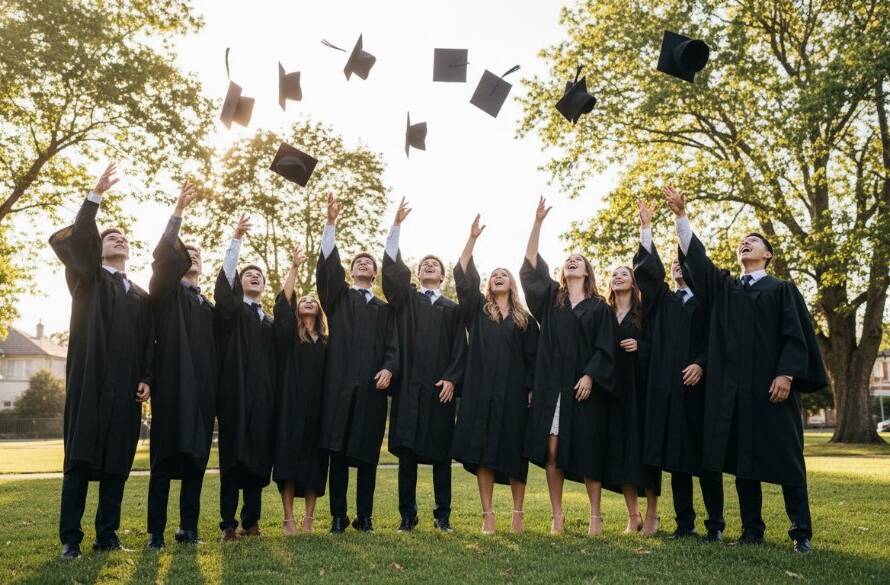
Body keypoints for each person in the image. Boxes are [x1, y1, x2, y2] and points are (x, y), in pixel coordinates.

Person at [664, 185, 827, 553]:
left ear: (767, 255)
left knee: (786, 458)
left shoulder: (781, 290)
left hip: (771, 388)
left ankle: (801, 531)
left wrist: (786, 374)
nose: (745, 244)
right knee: (742, 460)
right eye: (742, 241)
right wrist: (681, 217)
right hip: (733, 391)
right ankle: (752, 529)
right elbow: (699, 265)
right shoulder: (726, 289)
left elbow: (794, 336)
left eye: (754, 241)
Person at [49, 163, 153, 559]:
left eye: (123, 237)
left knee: (116, 463)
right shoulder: (86, 279)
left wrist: (147, 377)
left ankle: (106, 534)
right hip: (90, 382)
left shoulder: (140, 296)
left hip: (126, 388)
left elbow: (148, 342)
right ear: (99, 247)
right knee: (79, 459)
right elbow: (81, 241)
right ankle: (71, 540)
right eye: (111, 236)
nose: (118, 239)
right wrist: (94, 198)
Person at [521, 197, 617, 536]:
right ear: (562, 272)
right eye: (568, 261)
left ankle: (595, 516)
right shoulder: (551, 299)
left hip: (583, 385)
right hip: (552, 385)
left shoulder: (599, 307)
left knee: (589, 449)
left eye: (579, 261)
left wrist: (591, 374)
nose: (573, 263)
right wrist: (537, 223)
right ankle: (557, 516)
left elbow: (606, 346)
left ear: (587, 271)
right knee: (551, 447)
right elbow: (530, 266)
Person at [633, 199, 724, 541]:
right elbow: (648, 273)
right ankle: (684, 524)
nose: (675, 267)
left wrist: (702, 363)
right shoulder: (663, 302)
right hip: (669, 392)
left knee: (706, 461)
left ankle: (715, 526)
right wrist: (646, 227)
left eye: (681, 262)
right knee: (678, 461)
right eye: (672, 263)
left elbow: (720, 341)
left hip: (700, 390)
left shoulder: (709, 301)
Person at [382, 198, 467, 532]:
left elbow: (461, 347)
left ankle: (442, 514)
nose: (430, 266)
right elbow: (391, 268)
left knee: (441, 457)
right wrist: (396, 226)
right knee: (406, 456)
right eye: (425, 264)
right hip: (409, 389)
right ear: (417, 274)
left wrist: (452, 379)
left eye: (436, 265)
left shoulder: (452, 309)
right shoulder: (406, 302)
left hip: (439, 389)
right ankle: (407, 514)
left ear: (443, 276)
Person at [316, 193, 399, 533]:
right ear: (350, 271)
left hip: (371, 388)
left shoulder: (384, 309)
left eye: (369, 263)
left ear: (376, 274)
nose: (364, 264)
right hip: (339, 386)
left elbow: (394, 345)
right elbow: (327, 268)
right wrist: (330, 224)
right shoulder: (338, 299)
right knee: (337, 453)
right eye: (358, 262)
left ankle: (364, 516)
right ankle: (338, 515)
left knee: (367, 455)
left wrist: (390, 368)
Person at [452, 214, 539, 535]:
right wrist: (472, 238)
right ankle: (488, 515)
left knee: (515, 452)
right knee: (483, 452)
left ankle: (518, 513)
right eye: (495, 275)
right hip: (481, 393)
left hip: (514, 394)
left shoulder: (525, 320)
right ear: (489, 284)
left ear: (512, 284)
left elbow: (534, 358)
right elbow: (462, 274)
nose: (499, 276)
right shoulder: (477, 311)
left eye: (505, 274)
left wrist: (530, 388)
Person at [146, 181, 217, 549]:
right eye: (186, 254)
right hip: (172, 389)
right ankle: (156, 533)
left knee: (196, 465)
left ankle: (189, 528)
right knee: (162, 464)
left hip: (202, 396)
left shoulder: (208, 308)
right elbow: (163, 258)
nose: (192, 258)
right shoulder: (165, 294)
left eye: (198, 255)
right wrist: (178, 212)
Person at [214, 213, 276, 542]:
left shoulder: (270, 321)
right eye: (247, 274)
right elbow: (224, 286)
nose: (253, 277)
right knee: (233, 461)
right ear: (240, 283)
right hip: (235, 396)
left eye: (258, 276)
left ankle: (252, 522)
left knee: (256, 462)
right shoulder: (232, 312)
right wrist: (236, 239)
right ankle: (228, 524)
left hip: (263, 399)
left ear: (264, 286)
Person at [273, 244, 329, 535]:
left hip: (318, 408)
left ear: (319, 309)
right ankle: (288, 519)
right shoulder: (287, 337)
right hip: (289, 406)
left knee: (314, 463)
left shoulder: (326, 342)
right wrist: (294, 268)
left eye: (313, 299)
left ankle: (308, 518)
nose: (308, 301)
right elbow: (282, 304)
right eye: (303, 299)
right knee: (287, 459)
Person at [604, 264, 662, 535]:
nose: (618, 277)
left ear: (634, 282)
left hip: (640, 391)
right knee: (619, 453)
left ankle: (652, 514)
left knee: (644, 452)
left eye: (624, 274)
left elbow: (661, 346)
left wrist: (641, 347)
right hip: (612, 392)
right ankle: (633, 515)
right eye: (614, 274)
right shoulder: (604, 313)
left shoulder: (646, 312)